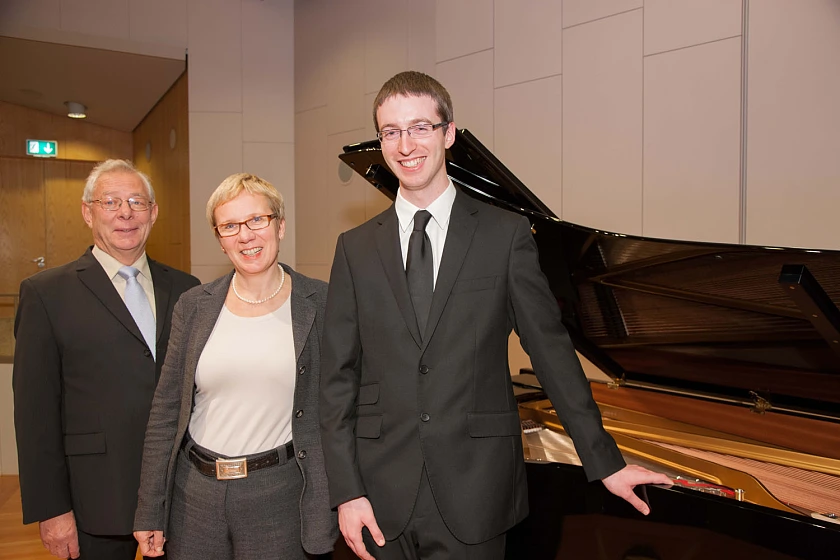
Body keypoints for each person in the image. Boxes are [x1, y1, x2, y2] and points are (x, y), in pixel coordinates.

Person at [319, 71, 673, 560]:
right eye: (391, 131)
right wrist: (346, 490)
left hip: (476, 492)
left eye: (420, 127)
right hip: (379, 497)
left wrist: (603, 460)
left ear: (449, 133)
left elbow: (550, 352)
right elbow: (336, 379)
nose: (405, 144)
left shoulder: (504, 236)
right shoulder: (354, 248)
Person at [133, 173, 338, 559]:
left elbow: (341, 410)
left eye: (256, 220)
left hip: (279, 494)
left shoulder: (322, 302)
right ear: (220, 238)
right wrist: (150, 509)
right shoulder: (194, 306)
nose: (245, 236)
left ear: (280, 225)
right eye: (229, 226)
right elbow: (164, 415)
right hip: (194, 497)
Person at [12, 159, 200, 559]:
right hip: (91, 502)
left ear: (153, 212)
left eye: (136, 201)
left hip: (179, 497)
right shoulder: (46, 294)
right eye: (110, 202)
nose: (125, 213)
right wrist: (52, 509)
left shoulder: (188, 289)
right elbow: (35, 414)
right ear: (87, 212)